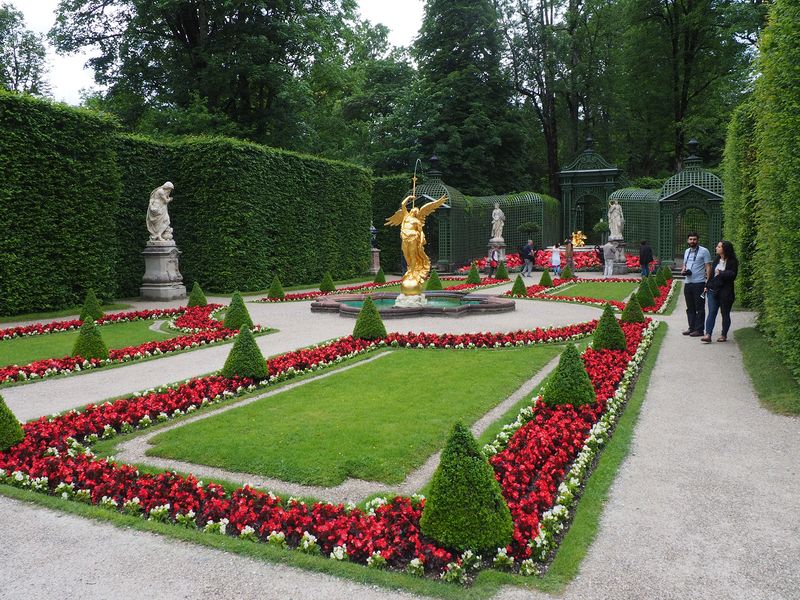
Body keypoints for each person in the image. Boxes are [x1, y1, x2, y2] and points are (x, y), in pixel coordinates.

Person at [701, 240, 738, 343]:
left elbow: (733, 275)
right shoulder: (717, 259)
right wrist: (707, 285)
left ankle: (724, 334)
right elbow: (712, 275)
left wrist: (721, 273)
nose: (716, 248)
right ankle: (708, 334)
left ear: (724, 249)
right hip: (713, 290)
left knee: (725, 313)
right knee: (712, 312)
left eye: (719, 247)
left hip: (726, 292)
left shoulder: (732, 261)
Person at [681, 232, 713, 337]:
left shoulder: (704, 251)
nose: (692, 241)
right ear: (687, 240)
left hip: (699, 283)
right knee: (690, 307)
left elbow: (708, 267)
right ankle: (691, 328)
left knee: (699, 307)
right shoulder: (686, 251)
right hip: (688, 282)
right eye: (690, 239)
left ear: (697, 240)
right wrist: (683, 270)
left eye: (694, 239)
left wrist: (707, 281)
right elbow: (684, 264)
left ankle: (699, 330)